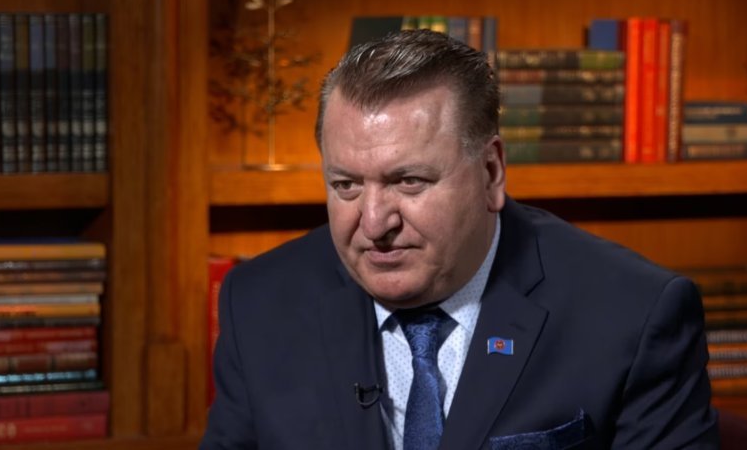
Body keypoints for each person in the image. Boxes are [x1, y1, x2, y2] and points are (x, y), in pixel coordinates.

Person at [200, 29, 719, 449]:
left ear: (490, 172)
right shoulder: (257, 304)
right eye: (346, 185)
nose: (374, 223)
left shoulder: (633, 314)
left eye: (409, 181)